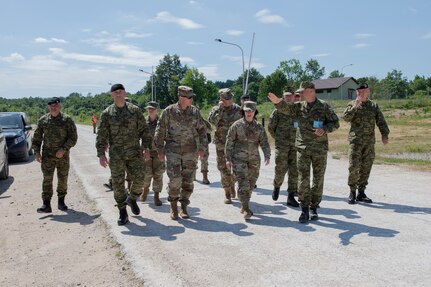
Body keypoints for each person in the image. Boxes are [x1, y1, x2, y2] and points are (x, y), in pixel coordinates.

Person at [268, 81, 339, 223]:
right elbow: (286, 108)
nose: (300, 94)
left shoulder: (324, 107)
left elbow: (335, 123)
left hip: (319, 149)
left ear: (311, 91)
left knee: (318, 180)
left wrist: (324, 129)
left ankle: (314, 208)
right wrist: (277, 102)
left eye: (303, 91)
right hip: (302, 149)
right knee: (303, 180)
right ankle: (304, 209)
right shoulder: (299, 107)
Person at [96, 84, 151, 226]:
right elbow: (101, 135)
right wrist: (101, 154)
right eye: (116, 92)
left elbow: (144, 131)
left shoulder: (135, 111)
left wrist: (146, 148)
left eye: (121, 92)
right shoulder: (107, 113)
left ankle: (132, 198)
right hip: (116, 155)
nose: (119, 94)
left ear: (125, 93)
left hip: (134, 152)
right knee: (118, 184)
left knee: (141, 178)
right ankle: (122, 212)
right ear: (111, 95)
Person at [154, 86, 208, 220]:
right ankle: (173, 207)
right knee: (175, 180)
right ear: (181, 98)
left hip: (190, 152)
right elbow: (159, 131)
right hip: (173, 152)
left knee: (188, 181)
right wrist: (160, 150)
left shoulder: (195, 112)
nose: (192, 99)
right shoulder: (169, 111)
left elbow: (202, 130)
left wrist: (202, 148)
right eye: (189, 97)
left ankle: (184, 206)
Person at [342, 83, 390, 204]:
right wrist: (355, 106)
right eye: (358, 91)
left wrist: (384, 134)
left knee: (366, 167)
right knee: (353, 167)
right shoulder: (352, 104)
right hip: (355, 141)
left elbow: (381, 121)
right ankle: (352, 192)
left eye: (363, 91)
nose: (360, 93)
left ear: (367, 92)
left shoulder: (373, 106)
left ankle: (361, 192)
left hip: (369, 142)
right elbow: (345, 118)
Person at [225, 101, 270, 220]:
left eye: (251, 111)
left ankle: (244, 202)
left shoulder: (259, 127)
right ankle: (246, 208)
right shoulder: (236, 126)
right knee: (244, 184)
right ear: (243, 111)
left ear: (255, 112)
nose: (249, 113)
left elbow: (264, 142)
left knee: (251, 184)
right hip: (239, 159)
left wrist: (267, 155)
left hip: (254, 160)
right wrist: (228, 159)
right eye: (247, 111)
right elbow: (229, 143)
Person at [32, 97, 78, 213]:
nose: (54, 107)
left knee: (62, 179)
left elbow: (73, 138)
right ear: (49, 107)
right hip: (47, 156)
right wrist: (36, 152)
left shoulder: (67, 120)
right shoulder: (43, 120)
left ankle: (61, 202)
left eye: (56, 105)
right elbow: (37, 138)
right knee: (47, 179)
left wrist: (63, 149)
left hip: (62, 156)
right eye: (51, 105)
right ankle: (46, 204)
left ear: (60, 106)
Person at [208, 88, 242, 203]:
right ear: (222, 99)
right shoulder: (216, 110)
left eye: (231, 97)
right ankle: (227, 192)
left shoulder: (238, 109)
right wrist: (220, 109)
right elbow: (212, 122)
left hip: (236, 144)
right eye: (227, 99)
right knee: (223, 169)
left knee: (238, 169)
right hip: (221, 144)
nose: (230, 100)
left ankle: (232, 183)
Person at [268, 88, 300, 207]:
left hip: (295, 145)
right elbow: (271, 127)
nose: (288, 98)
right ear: (283, 97)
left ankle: (291, 196)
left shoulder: (298, 110)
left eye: (290, 96)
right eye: (285, 96)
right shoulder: (277, 112)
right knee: (280, 169)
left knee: (294, 171)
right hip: (282, 145)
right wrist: (278, 139)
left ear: (293, 97)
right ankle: (276, 186)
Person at [140, 101, 165, 206]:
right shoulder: (143, 121)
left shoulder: (162, 122)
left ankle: (156, 196)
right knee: (146, 174)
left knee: (158, 175)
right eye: (149, 108)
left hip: (158, 152)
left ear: (157, 110)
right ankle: (145, 190)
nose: (150, 110)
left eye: (153, 108)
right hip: (147, 152)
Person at [195, 118, 212, 184]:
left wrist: (204, 128)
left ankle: (205, 178)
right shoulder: (188, 120)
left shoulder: (204, 121)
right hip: (192, 143)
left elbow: (210, 130)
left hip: (203, 143)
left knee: (204, 160)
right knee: (192, 160)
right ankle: (193, 175)